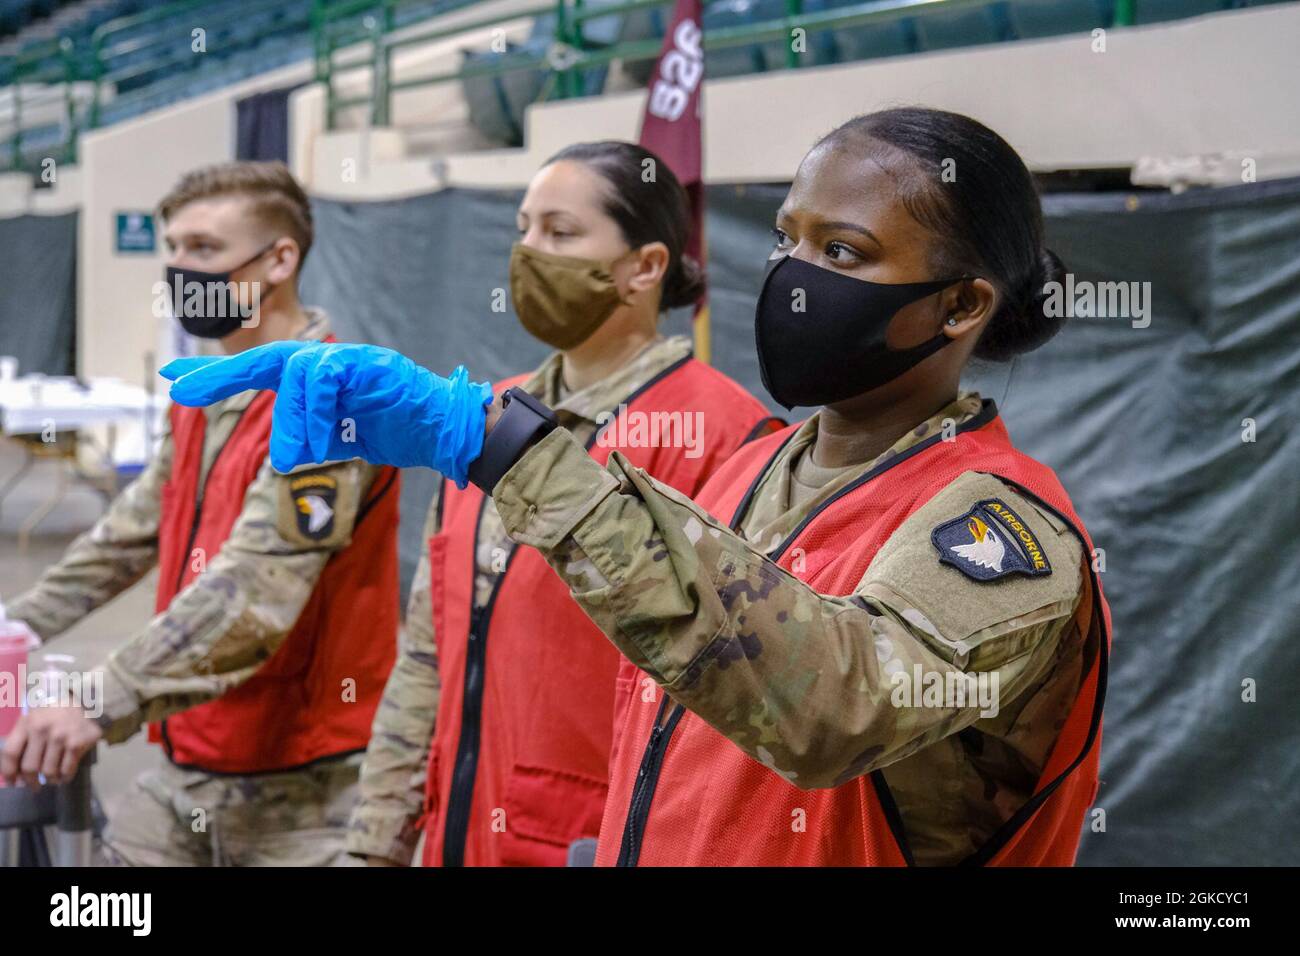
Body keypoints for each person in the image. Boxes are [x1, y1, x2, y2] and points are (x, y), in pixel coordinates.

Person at [161, 107, 1111, 866]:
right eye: (788, 238)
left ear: (960, 305)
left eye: (843, 254)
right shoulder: (757, 471)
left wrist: (506, 451)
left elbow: (832, 708)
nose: (791, 275)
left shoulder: (1001, 530)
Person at [347, 141, 781, 866]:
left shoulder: (724, 436)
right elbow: (428, 651)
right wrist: (374, 845)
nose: (528, 252)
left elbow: (733, 705)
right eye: (523, 229)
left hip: (597, 844)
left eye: (561, 232)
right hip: (458, 839)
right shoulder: (478, 417)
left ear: (645, 267)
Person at [1, 161, 401, 867]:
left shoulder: (329, 397)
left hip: (305, 798)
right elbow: (134, 530)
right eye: (175, 248)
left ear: (280, 259)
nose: (182, 268)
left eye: (206, 250)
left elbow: (253, 590)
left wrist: (98, 699)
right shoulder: (208, 390)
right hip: (188, 766)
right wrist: (18, 624)